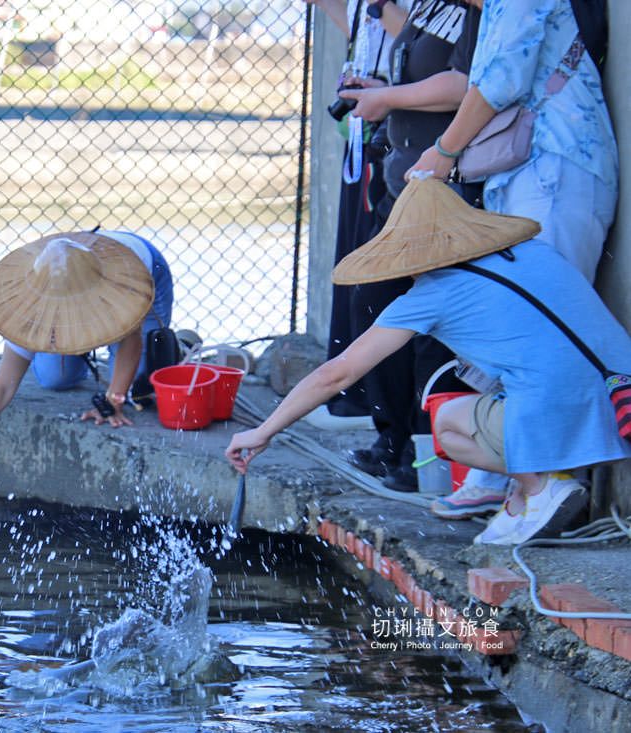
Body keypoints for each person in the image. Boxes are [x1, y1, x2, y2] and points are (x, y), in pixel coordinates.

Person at [224, 178, 631, 545]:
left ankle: (542, 487)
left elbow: (338, 374)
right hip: (620, 406)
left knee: (448, 423)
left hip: (568, 415)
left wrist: (264, 431)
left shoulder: (432, 294)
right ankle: (525, 496)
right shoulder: (536, 253)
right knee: (525, 385)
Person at [406, 0, 617, 519]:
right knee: (517, 324)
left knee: (542, 329)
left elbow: (501, 79)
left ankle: (547, 486)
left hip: (556, 169)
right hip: (530, 172)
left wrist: (443, 153)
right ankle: (506, 473)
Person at [329, 0, 482, 490]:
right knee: (372, 299)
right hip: (403, 188)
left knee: (430, 327)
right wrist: (382, 91)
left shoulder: (478, 12)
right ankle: (392, 438)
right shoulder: (428, 9)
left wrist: (390, 98)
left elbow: (465, 85)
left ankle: (428, 452)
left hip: (447, 192)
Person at [0, 230, 174, 475]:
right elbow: (2, 387)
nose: (62, 314)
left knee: (137, 388)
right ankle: (80, 346)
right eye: (55, 309)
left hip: (141, 268)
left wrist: (113, 399)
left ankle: (174, 346)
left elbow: (131, 342)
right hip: (71, 270)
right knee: (55, 378)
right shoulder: (25, 310)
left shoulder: (121, 287)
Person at [303, 0, 409, 429]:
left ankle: (369, 399)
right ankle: (351, 391)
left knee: (373, 273)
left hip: (396, 137)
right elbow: (362, 29)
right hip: (363, 135)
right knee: (352, 261)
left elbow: (415, 37)